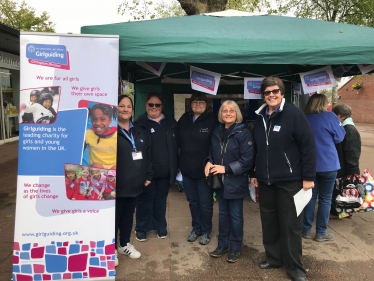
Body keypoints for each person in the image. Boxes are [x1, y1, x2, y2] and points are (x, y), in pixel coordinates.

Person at [250, 77, 316, 281]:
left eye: (275, 91)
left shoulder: (294, 114)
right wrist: (254, 172)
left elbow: (308, 146)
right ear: (263, 95)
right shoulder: (260, 116)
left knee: (290, 225)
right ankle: (274, 258)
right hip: (266, 181)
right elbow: (257, 148)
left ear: (282, 92)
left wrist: (308, 176)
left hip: (291, 181)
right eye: (267, 92)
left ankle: (295, 267)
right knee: (269, 223)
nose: (271, 95)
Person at [205, 100, 254, 263]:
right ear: (220, 114)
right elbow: (211, 152)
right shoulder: (217, 131)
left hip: (235, 182)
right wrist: (209, 161)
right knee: (223, 214)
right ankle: (222, 244)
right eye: (224, 110)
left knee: (236, 216)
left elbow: (247, 160)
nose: (228, 113)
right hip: (219, 182)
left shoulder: (243, 133)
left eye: (231, 110)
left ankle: (235, 247)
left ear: (237, 113)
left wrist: (225, 169)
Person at [135, 93, 178, 241]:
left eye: (157, 105)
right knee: (145, 200)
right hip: (147, 173)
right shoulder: (138, 124)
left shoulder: (172, 123)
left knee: (160, 200)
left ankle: (161, 226)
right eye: (151, 105)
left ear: (162, 106)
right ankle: (141, 228)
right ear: (146, 106)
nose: (154, 108)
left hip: (165, 172)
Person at [302, 94, 345, 242]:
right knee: (325, 199)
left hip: (309, 165)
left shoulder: (304, 118)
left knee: (310, 197)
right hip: (328, 164)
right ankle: (321, 232)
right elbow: (340, 137)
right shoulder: (331, 117)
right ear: (323, 103)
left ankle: (306, 230)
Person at [116, 95, 153, 263]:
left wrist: (148, 175)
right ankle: (109, 250)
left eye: (128, 106)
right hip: (116, 185)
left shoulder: (139, 130)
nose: (125, 109)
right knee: (114, 217)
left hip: (136, 184)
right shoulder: (110, 131)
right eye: (121, 106)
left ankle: (124, 244)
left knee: (128, 216)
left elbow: (148, 154)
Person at [178, 93, 216, 245]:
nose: (198, 104)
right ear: (190, 104)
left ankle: (206, 231)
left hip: (204, 172)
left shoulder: (212, 120)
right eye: (195, 102)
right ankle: (196, 228)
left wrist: (211, 162)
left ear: (207, 105)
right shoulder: (184, 119)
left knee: (205, 203)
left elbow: (216, 145)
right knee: (193, 202)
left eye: (201, 102)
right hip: (187, 170)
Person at [330, 103, 361, 218]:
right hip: (345, 166)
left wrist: (352, 170)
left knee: (344, 189)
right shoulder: (346, 128)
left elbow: (352, 152)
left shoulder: (349, 129)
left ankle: (342, 212)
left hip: (346, 167)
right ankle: (341, 211)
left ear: (340, 116)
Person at [84, 103, 117, 169]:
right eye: (94, 119)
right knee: (97, 166)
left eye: (102, 119)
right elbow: (77, 153)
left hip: (114, 173)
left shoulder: (117, 135)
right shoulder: (88, 134)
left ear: (110, 120)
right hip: (96, 172)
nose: (98, 123)